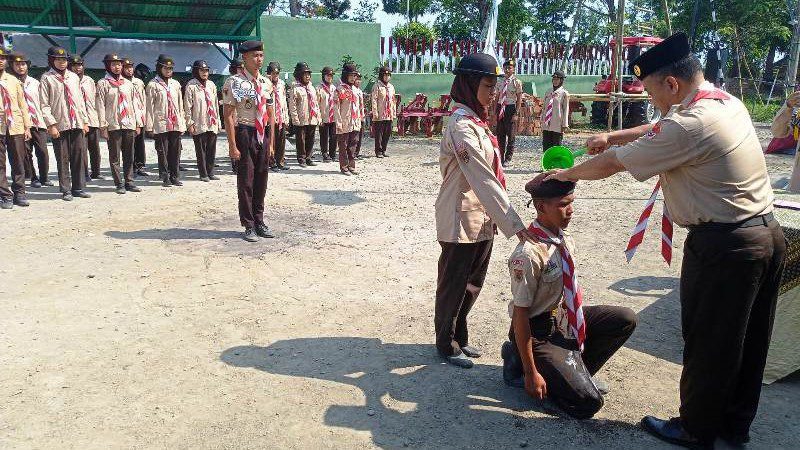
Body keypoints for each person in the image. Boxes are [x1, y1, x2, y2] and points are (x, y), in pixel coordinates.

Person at [545, 33, 785, 448]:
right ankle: (734, 425)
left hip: (725, 246)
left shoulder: (689, 124)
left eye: (652, 90)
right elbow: (656, 127)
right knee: (747, 339)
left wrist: (564, 176)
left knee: (709, 340)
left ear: (671, 84)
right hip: (764, 234)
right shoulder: (722, 102)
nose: (651, 99)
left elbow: (612, 166)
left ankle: (695, 429)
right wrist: (614, 135)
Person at [501, 174, 637, 419]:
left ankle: (575, 372)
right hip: (537, 332)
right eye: (563, 205)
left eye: (571, 202)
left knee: (624, 318)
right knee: (587, 404)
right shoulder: (529, 254)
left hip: (563, 320)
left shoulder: (563, 240)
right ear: (541, 207)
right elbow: (520, 314)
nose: (570, 210)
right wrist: (532, 374)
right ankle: (523, 363)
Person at [434, 52, 535, 368]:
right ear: (468, 84)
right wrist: (516, 225)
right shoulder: (462, 126)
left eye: (495, 86)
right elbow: (483, 178)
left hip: (482, 216)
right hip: (460, 217)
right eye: (489, 86)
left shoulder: (477, 123)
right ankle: (446, 344)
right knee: (454, 283)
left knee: (472, 282)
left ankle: (460, 336)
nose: (494, 93)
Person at [222, 40, 276, 242]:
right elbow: (228, 115)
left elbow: (271, 113)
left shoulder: (266, 83)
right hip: (245, 131)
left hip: (263, 133)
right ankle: (248, 224)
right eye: (254, 55)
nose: (259, 59)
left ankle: (259, 221)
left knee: (262, 179)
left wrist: (271, 144)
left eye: (261, 55)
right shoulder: (234, 82)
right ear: (244, 58)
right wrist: (232, 145)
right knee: (246, 180)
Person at [40, 46, 91, 201]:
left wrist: (85, 121)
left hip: (76, 122)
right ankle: (66, 189)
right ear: (51, 60)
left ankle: (78, 187)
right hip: (60, 124)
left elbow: (80, 102)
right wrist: (51, 125)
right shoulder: (47, 78)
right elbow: (44, 104)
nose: (62, 63)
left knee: (78, 156)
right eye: (58, 59)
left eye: (64, 60)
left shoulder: (73, 77)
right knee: (63, 158)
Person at [96, 53, 142, 194]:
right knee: (115, 156)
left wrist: (138, 123)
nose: (117, 67)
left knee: (129, 155)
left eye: (119, 64)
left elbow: (135, 104)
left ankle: (129, 181)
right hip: (113, 125)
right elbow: (100, 106)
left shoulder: (128, 84)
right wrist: (103, 126)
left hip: (128, 123)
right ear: (108, 66)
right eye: (114, 64)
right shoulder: (103, 83)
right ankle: (118, 183)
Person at [9, 52, 52, 189]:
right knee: (26, 153)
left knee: (43, 151)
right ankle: (33, 177)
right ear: (12, 66)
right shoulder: (10, 83)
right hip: (21, 124)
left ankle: (44, 177)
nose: (21, 67)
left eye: (23, 64)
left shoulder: (35, 83)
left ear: (28, 66)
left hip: (38, 122)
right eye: (17, 64)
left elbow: (43, 102)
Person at [146, 54, 186, 187]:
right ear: (159, 68)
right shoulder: (153, 85)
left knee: (176, 150)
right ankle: (165, 176)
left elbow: (180, 105)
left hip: (175, 123)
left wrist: (182, 123)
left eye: (170, 68)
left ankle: (175, 176)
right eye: (165, 68)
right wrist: (149, 126)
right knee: (163, 151)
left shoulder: (175, 84)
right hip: (161, 123)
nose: (168, 70)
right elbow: (149, 107)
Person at [0, 48, 32, 209]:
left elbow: (22, 105)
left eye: (3, 58)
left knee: (18, 160)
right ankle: (5, 195)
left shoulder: (13, 81)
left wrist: (27, 126)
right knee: (0, 163)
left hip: (15, 125)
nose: (1, 60)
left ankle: (20, 192)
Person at [184, 60, 220, 182]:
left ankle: (210, 171)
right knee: (201, 149)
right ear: (196, 71)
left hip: (211, 121)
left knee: (211, 148)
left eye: (206, 70)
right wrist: (190, 123)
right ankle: (203, 173)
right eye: (202, 70)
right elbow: (187, 106)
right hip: (199, 122)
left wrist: (218, 121)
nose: (205, 73)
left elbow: (215, 104)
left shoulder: (211, 85)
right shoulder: (191, 86)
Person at [68, 55, 103, 181]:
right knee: (81, 147)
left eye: (80, 65)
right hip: (79, 119)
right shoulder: (68, 80)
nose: (78, 68)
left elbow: (95, 98)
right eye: (74, 65)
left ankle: (96, 171)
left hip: (92, 117)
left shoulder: (89, 80)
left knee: (95, 147)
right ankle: (84, 173)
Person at [288, 62, 320, 168]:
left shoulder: (311, 87)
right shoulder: (295, 87)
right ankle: (301, 159)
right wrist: (294, 118)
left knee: (311, 138)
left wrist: (318, 116)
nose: (307, 76)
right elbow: (292, 105)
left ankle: (308, 158)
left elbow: (315, 103)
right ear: (299, 75)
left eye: (308, 74)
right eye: (305, 74)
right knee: (300, 139)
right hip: (301, 118)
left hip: (312, 118)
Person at [123, 57, 149, 177]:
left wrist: (144, 116)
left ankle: (140, 165)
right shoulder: (121, 82)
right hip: (127, 117)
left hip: (139, 116)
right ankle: (130, 167)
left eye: (130, 67)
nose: (129, 70)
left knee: (140, 142)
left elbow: (143, 100)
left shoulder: (139, 82)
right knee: (128, 144)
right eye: (126, 67)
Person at [493, 59, 523, 166]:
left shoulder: (517, 82)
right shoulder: (499, 81)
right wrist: (495, 111)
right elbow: (496, 96)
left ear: (513, 69)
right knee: (500, 134)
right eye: (505, 67)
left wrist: (516, 113)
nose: (507, 69)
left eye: (509, 67)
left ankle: (508, 158)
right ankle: (500, 156)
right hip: (501, 107)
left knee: (511, 135)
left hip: (510, 108)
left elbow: (519, 98)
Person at [334, 63, 361, 176]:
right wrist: (339, 122)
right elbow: (336, 107)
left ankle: (351, 166)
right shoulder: (340, 90)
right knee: (343, 145)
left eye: (354, 75)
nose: (353, 78)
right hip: (344, 122)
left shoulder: (356, 90)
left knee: (353, 145)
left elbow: (359, 106)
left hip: (354, 122)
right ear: (345, 75)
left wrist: (360, 119)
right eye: (350, 75)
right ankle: (344, 167)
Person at [265, 62, 289, 172]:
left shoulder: (281, 84)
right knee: (271, 140)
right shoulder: (264, 83)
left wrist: (286, 117)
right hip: (269, 117)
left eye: (277, 73)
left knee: (281, 140)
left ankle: (280, 161)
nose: (275, 75)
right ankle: (271, 162)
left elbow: (284, 101)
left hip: (280, 116)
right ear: (268, 73)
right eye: (273, 73)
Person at [541, 70, 569, 152]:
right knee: (546, 144)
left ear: (561, 81)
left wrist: (565, 124)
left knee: (556, 144)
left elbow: (566, 109)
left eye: (557, 79)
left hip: (557, 122)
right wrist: (542, 119)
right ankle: (547, 162)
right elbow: (544, 107)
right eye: (554, 79)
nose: (555, 81)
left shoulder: (564, 94)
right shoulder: (548, 91)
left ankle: (556, 163)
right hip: (547, 123)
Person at [370, 65, 395, 158]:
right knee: (379, 133)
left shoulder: (391, 87)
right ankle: (378, 151)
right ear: (381, 76)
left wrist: (393, 112)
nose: (386, 77)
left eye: (388, 75)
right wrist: (375, 112)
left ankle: (384, 149)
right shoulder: (377, 86)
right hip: (380, 114)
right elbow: (374, 100)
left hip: (389, 114)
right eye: (384, 75)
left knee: (387, 133)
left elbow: (393, 100)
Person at [317, 66, 337, 162]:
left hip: (333, 116)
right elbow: (316, 104)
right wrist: (318, 117)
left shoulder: (334, 88)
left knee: (333, 136)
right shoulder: (319, 88)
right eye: (327, 75)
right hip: (324, 116)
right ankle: (325, 154)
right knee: (324, 137)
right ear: (323, 76)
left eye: (331, 75)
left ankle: (332, 154)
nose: (329, 77)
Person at [353, 73, 366, 159]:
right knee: (354, 136)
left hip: (360, 116)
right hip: (354, 116)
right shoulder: (352, 90)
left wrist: (362, 116)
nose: (358, 81)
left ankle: (357, 152)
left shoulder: (359, 91)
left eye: (359, 80)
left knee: (360, 136)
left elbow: (361, 105)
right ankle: (352, 153)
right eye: (357, 79)